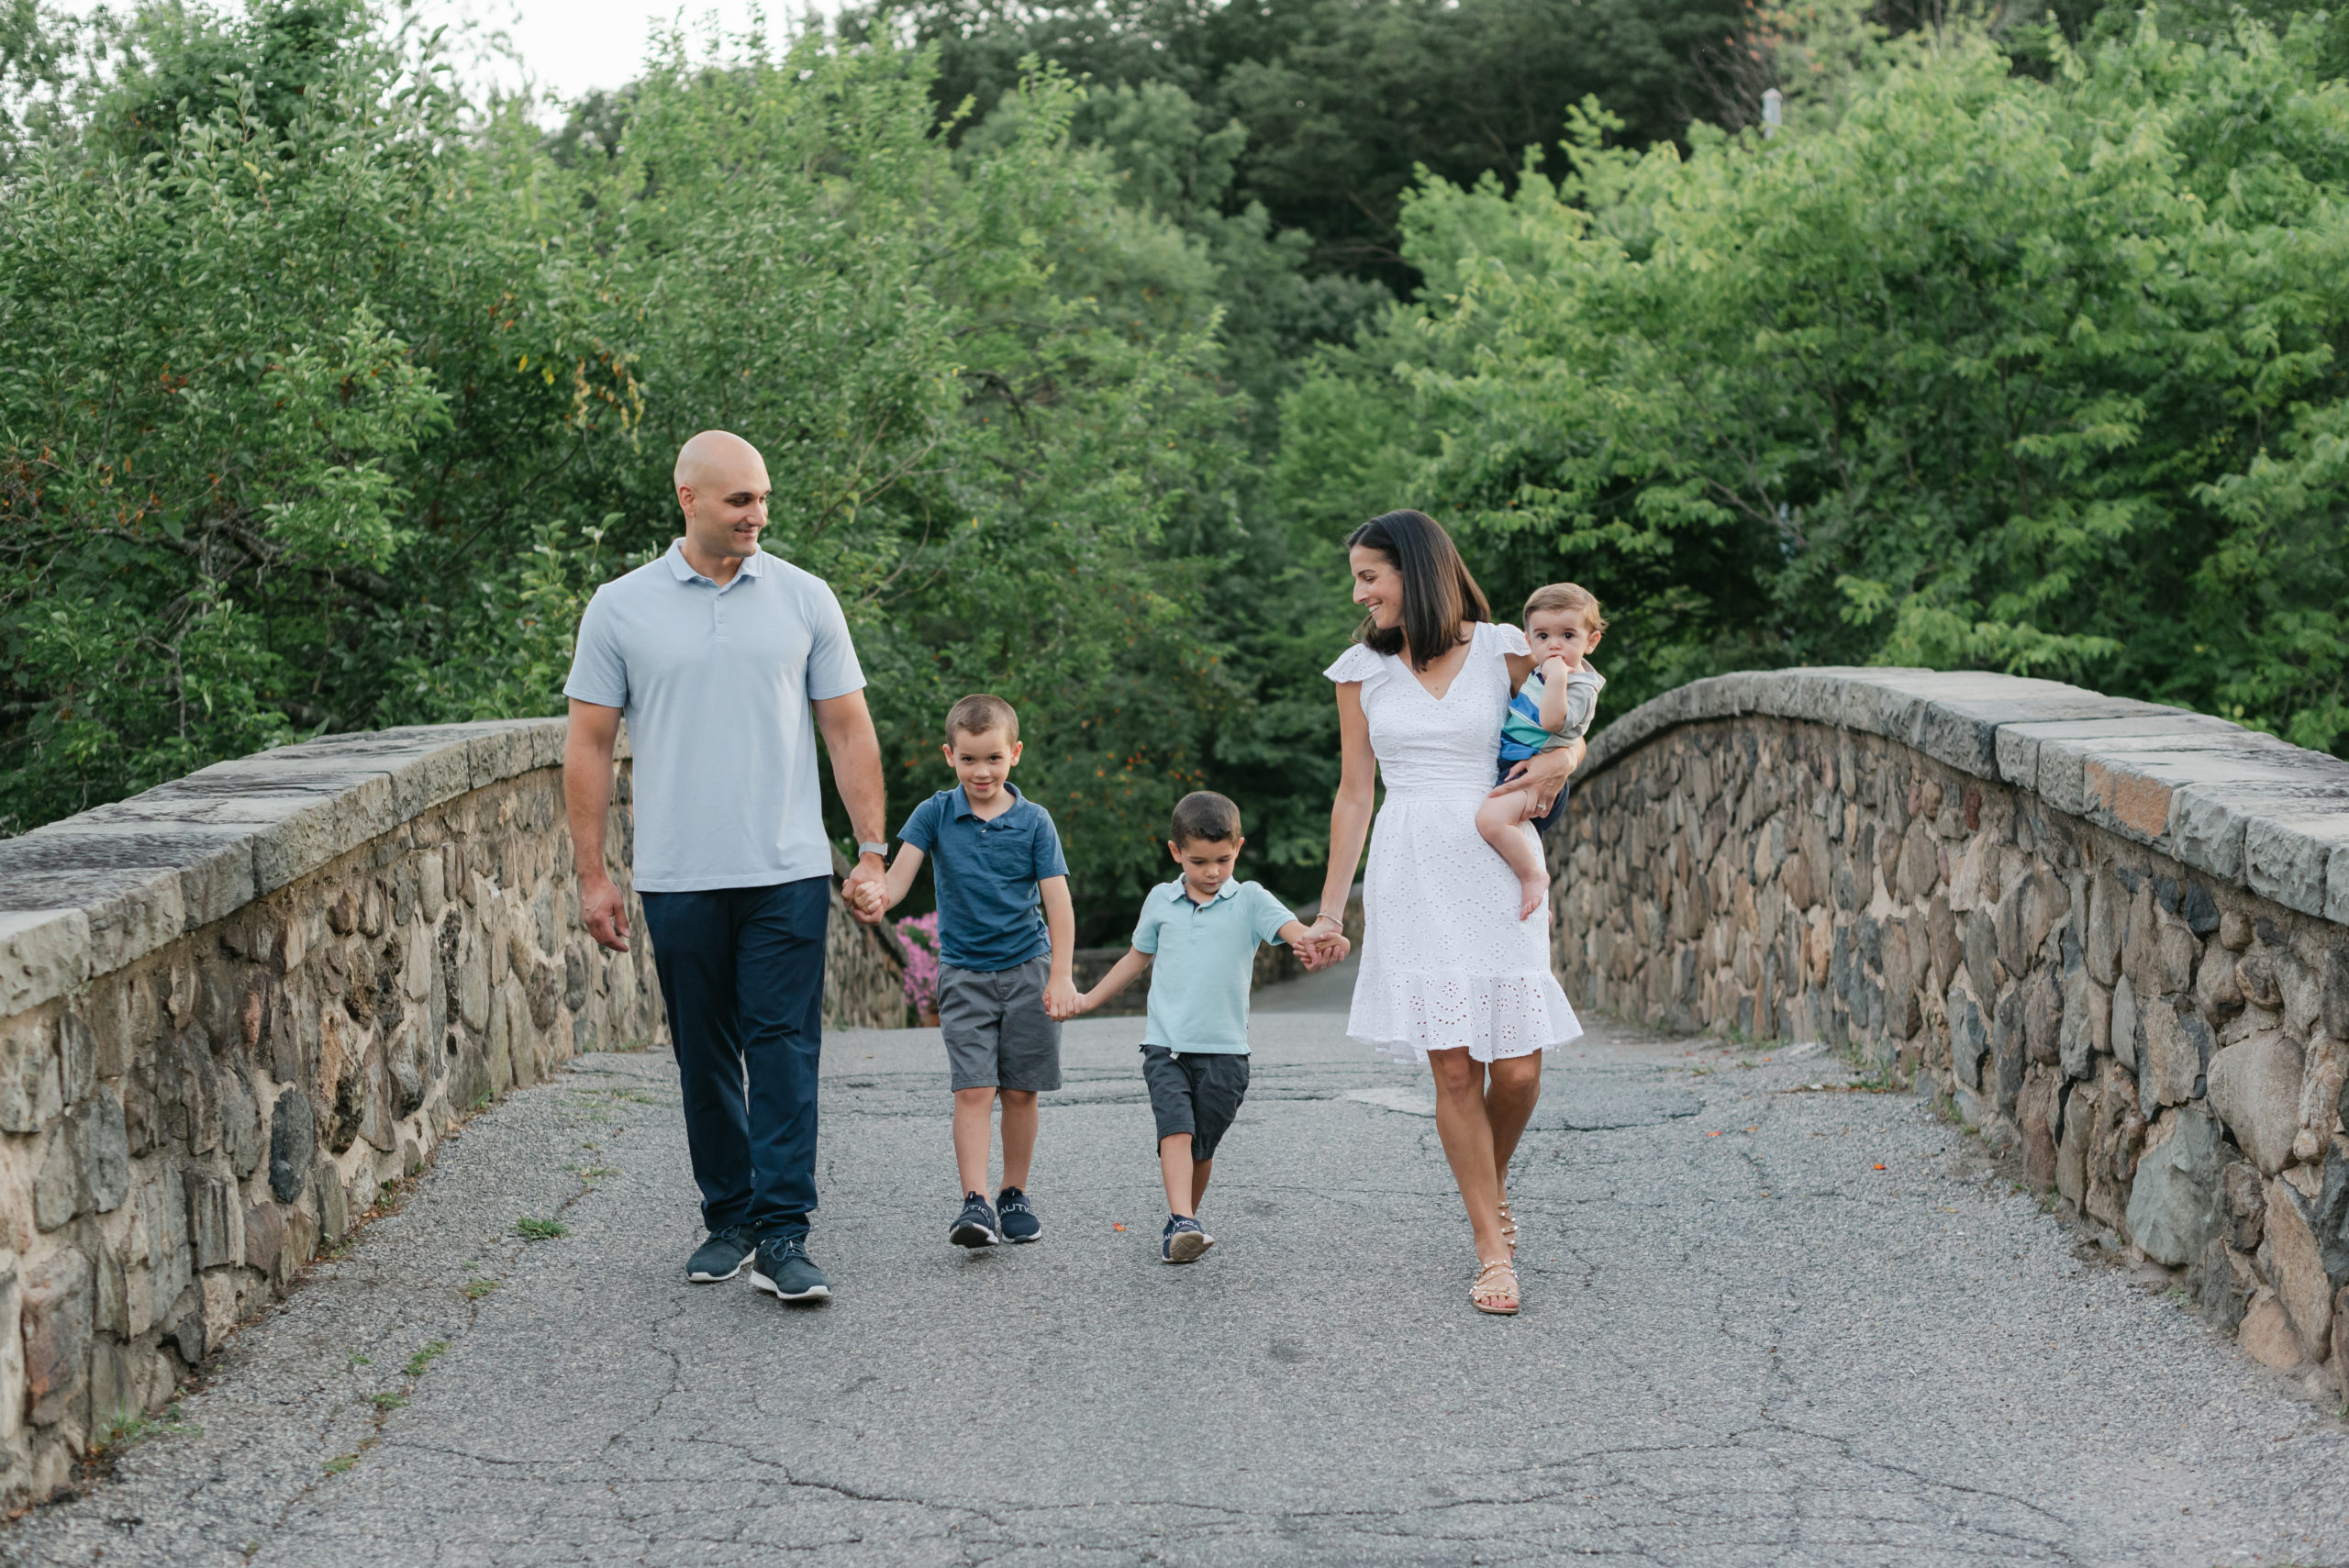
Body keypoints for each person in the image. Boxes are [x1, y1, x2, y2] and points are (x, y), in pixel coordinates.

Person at [562, 429, 890, 1307]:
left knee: (782, 1047)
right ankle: (729, 1217)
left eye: (764, 498)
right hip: (677, 873)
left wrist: (870, 850)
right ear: (689, 499)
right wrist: (593, 874)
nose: (758, 515)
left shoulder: (803, 597)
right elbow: (589, 743)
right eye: (741, 499)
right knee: (703, 1052)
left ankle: (786, 1231)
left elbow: (848, 728)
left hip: (785, 865)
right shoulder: (621, 607)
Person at [1308, 509, 1585, 1317]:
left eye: (1370, 575)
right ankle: (1491, 1245)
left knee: (1521, 1067)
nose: (1360, 593)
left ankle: (1485, 1185)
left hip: (1497, 856)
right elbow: (1355, 792)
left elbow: (1571, 715)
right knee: (1456, 1066)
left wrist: (1567, 758)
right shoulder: (1360, 669)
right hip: (1410, 864)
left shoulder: (1503, 646)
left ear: (1417, 571)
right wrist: (1331, 910)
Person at [1060, 792, 1338, 1263]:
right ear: (1176, 853)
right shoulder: (1160, 900)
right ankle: (1183, 1220)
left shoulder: (1250, 899)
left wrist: (1322, 940)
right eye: (1199, 861)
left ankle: (1181, 1223)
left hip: (1227, 1052)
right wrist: (1087, 999)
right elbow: (1135, 959)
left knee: (1202, 1146)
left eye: (1223, 860)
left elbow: (1297, 932)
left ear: (1239, 847)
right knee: (1176, 1130)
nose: (1212, 872)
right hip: (1165, 1046)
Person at [862, 695, 1078, 1249]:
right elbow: (900, 880)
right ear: (949, 756)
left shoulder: (1034, 822)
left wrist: (1060, 976)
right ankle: (975, 1203)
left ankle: (1014, 1193)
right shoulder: (934, 813)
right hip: (964, 975)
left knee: (1021, 1092)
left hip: (1029, 969)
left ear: (1015, 755)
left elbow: (1059, 905)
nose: (981, 772)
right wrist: (874, 896)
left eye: (993, 759)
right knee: (973, 1090)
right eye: (968, 760)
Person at [1475, 584, 1608, 920]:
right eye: (1544, 636)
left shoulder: (1579, 685)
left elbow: (1551, 721)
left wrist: (1557, 678)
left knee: (1490, 821)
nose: (1555, 646)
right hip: (1516, 767)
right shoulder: (1545, 669)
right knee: (1508, 837)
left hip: (1541, 778)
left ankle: (1534, 877)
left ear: (1590, 642)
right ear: (1529, 640)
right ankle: (1534, 902)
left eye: (1567, 635)